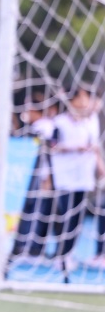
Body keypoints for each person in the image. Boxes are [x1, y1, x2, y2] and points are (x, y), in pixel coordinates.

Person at [50, 87, 103, 268]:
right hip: (64, 175)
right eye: (79, 98)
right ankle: (61, 253)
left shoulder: (91, 121)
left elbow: (94, 147)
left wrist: (100, 168)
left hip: (84, 176)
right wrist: (73, 147)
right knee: (64, 214)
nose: (83, 102)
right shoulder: (59, 122)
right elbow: (52, 145)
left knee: (77, 218)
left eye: (86, 98)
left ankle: (69, 253)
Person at [10, 94, 57, 259]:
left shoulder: (44, 127)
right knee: (31, 209)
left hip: (42, 176)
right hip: (31, 175)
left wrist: (47, 176)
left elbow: (47, 154)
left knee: (37, 210)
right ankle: (26, 245)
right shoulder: (36, 127)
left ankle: (32, 246)